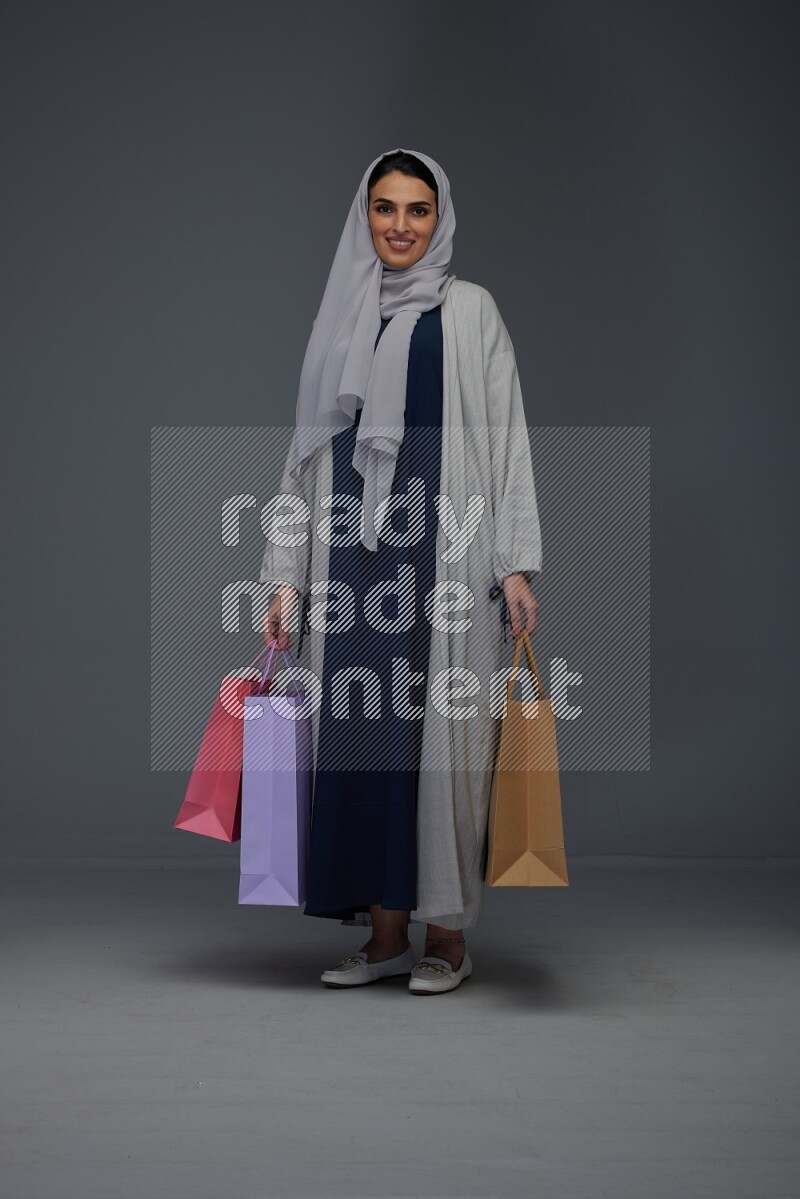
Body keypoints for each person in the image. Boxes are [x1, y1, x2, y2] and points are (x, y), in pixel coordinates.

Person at [260, 147, 542, 995]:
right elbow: (303, 455)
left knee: (443, 742)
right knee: (362, 738)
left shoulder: (471, 313)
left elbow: (506, 437)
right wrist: (284, 572)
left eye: (417, 210)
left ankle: (447, 938)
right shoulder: (340, 315)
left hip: (441, 548)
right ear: (365, 216)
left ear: (440, 217)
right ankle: (383, 935)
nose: (400, 226)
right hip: (350, 557)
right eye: (385, 208)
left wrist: (518, 562)